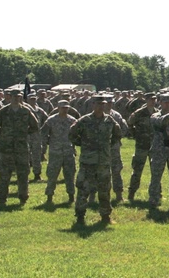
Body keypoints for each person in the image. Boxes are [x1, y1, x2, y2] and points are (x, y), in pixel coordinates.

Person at [70, 95, 124, 225]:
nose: (101, 106)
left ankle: (105, 216)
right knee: (83, 189)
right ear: (92, 105)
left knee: (104, 189)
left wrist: (108, 146)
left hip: (103, 162)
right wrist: (83, 145)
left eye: (103, 104)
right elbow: (72, 134)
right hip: (88, 161)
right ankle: (80, 216)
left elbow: (118, 134)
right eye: (98, 104)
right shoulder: (84, 120)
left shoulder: (109, 121)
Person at [0, 90, 40, 205]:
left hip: (21, 148)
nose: (16, 99)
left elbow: (35, 126)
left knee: (23, 173)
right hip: (6, 148)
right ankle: (2, 198)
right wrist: (2, 134)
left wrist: (24, 133)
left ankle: (23, 197)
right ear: (9, 97)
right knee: (4, 174)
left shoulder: (26, 111)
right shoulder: (4, 111)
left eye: (19, 97)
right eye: (14, 97)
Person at [42, 100, 77, 204]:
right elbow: (43, 133)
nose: (64, 109)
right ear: (58, 108)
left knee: (70, 175)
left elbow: (77, 134)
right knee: (52, 175)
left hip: (68, 152)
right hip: (55, 153)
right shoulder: (51, 120)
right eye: (62, 108)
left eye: (66, 108)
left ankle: (71, 196)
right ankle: (49, 196)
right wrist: (49, 143)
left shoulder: (72, 120)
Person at [126, 93, 158, 201]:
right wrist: (135, 134)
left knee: (156, 171)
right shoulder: (139, 113)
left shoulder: (157, 113)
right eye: (151, 99)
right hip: (141, 145)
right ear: (146, 100)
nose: (153, 101)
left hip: (154, 145)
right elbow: (129, 123)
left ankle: (157, 194)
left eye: (154, 99)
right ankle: (131, 193)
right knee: (137, 170)